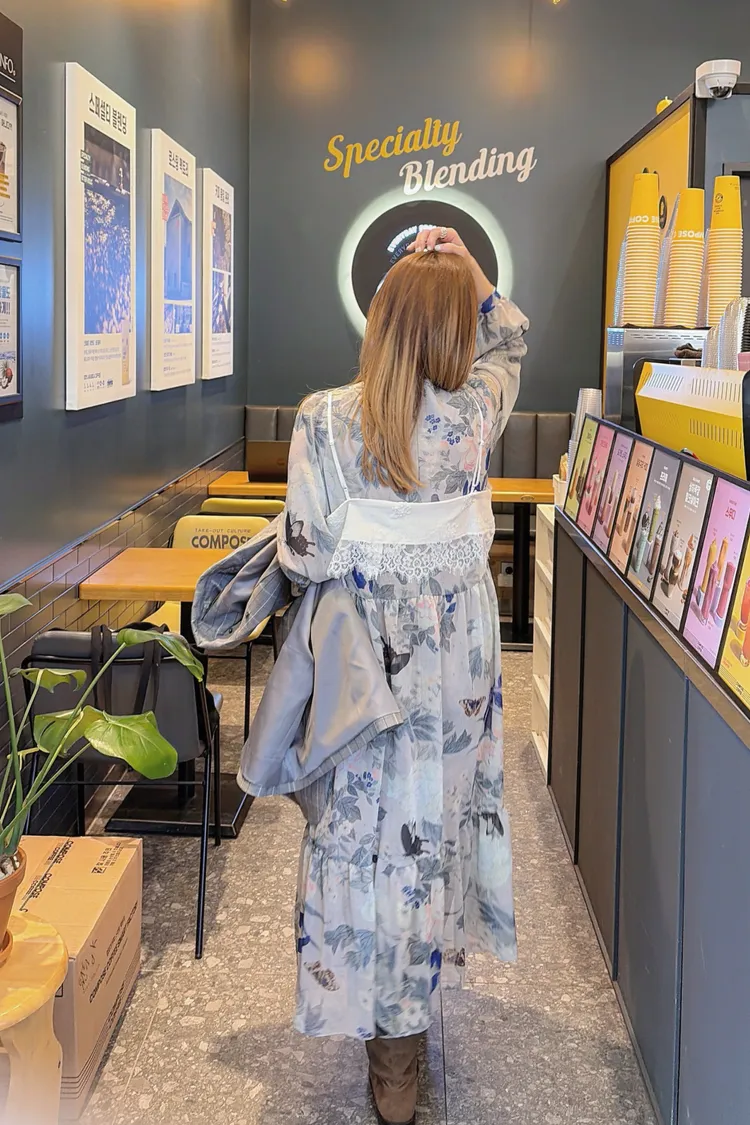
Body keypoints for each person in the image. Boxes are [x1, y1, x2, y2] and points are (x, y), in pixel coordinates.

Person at [277, 225, 529, 1125]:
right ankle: (409, 1033)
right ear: (455, 330)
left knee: (361, 834)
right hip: (456, 664)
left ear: (378, 321)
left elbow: (303, 555)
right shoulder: (472, 421)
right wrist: (472, 273)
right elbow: (512, 343)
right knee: (439, 818)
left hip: (362, 669)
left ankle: (381, 1033)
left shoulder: (322, 419)